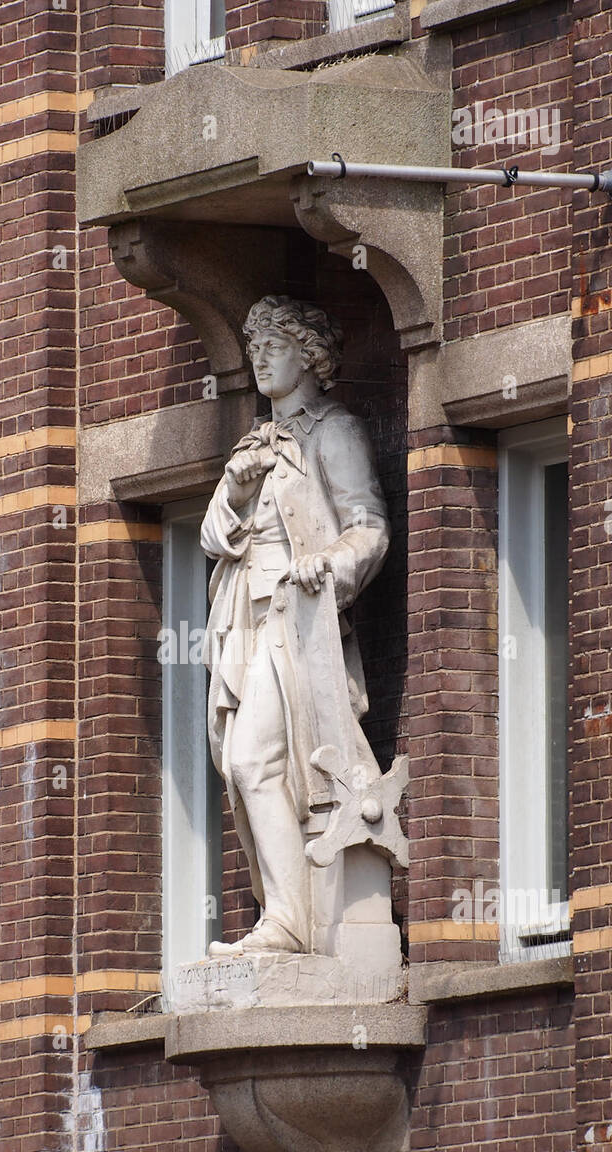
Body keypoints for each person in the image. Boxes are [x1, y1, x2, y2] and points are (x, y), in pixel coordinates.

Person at [200, 295, 390, 956]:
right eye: (251, 347)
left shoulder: (331, 432)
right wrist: (235, 489)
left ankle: (289, 921)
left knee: (256, 760)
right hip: (243, 625)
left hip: (297, 622)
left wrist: (328, 568)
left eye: (272, 346)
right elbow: (213, 538)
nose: (258, 358)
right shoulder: (252, 444)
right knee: (240, 764)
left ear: (309, 357)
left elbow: (367, 527)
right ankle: (284, 915)